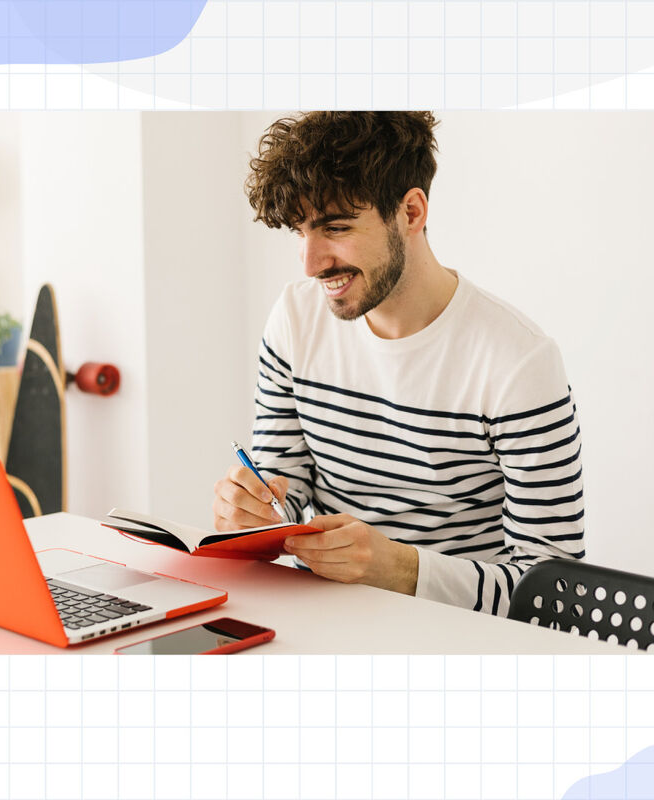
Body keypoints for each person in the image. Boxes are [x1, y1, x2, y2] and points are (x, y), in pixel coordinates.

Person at [211, 111, 584, 615]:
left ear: (411, 212)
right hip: (320, 625)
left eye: (336, 227)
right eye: (300, 232)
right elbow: (285, 491)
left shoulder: (518, 363)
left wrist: (400, 570)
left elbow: (555, 596)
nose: (310, 263)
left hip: (459, 644)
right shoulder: (295, 319)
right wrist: (255, 512)